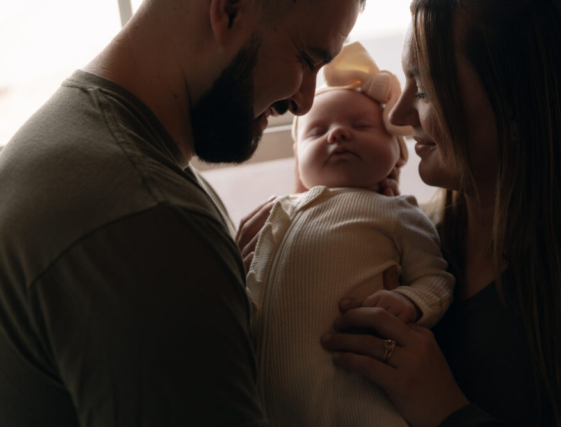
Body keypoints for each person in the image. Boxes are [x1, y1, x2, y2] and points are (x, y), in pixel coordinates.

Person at [0, 0, 365, 425]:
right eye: (306, 59)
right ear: (227, 11)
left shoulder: (70, 138)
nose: (305, 100)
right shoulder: (148, 222)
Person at [315, 0, 561, 426]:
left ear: (520, 105)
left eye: (426, 89)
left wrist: (447, 412)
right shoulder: (399, 243)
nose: (397, 115)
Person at [246, 42, 455, 427]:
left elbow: (437, 278)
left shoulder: (397, 211)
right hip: (270, 406)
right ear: (297, 157)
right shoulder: (277, 213)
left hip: (360, 401)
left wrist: (412, 300)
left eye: (361, 126)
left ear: (396, 151)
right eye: (317, 132)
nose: (338, 134)